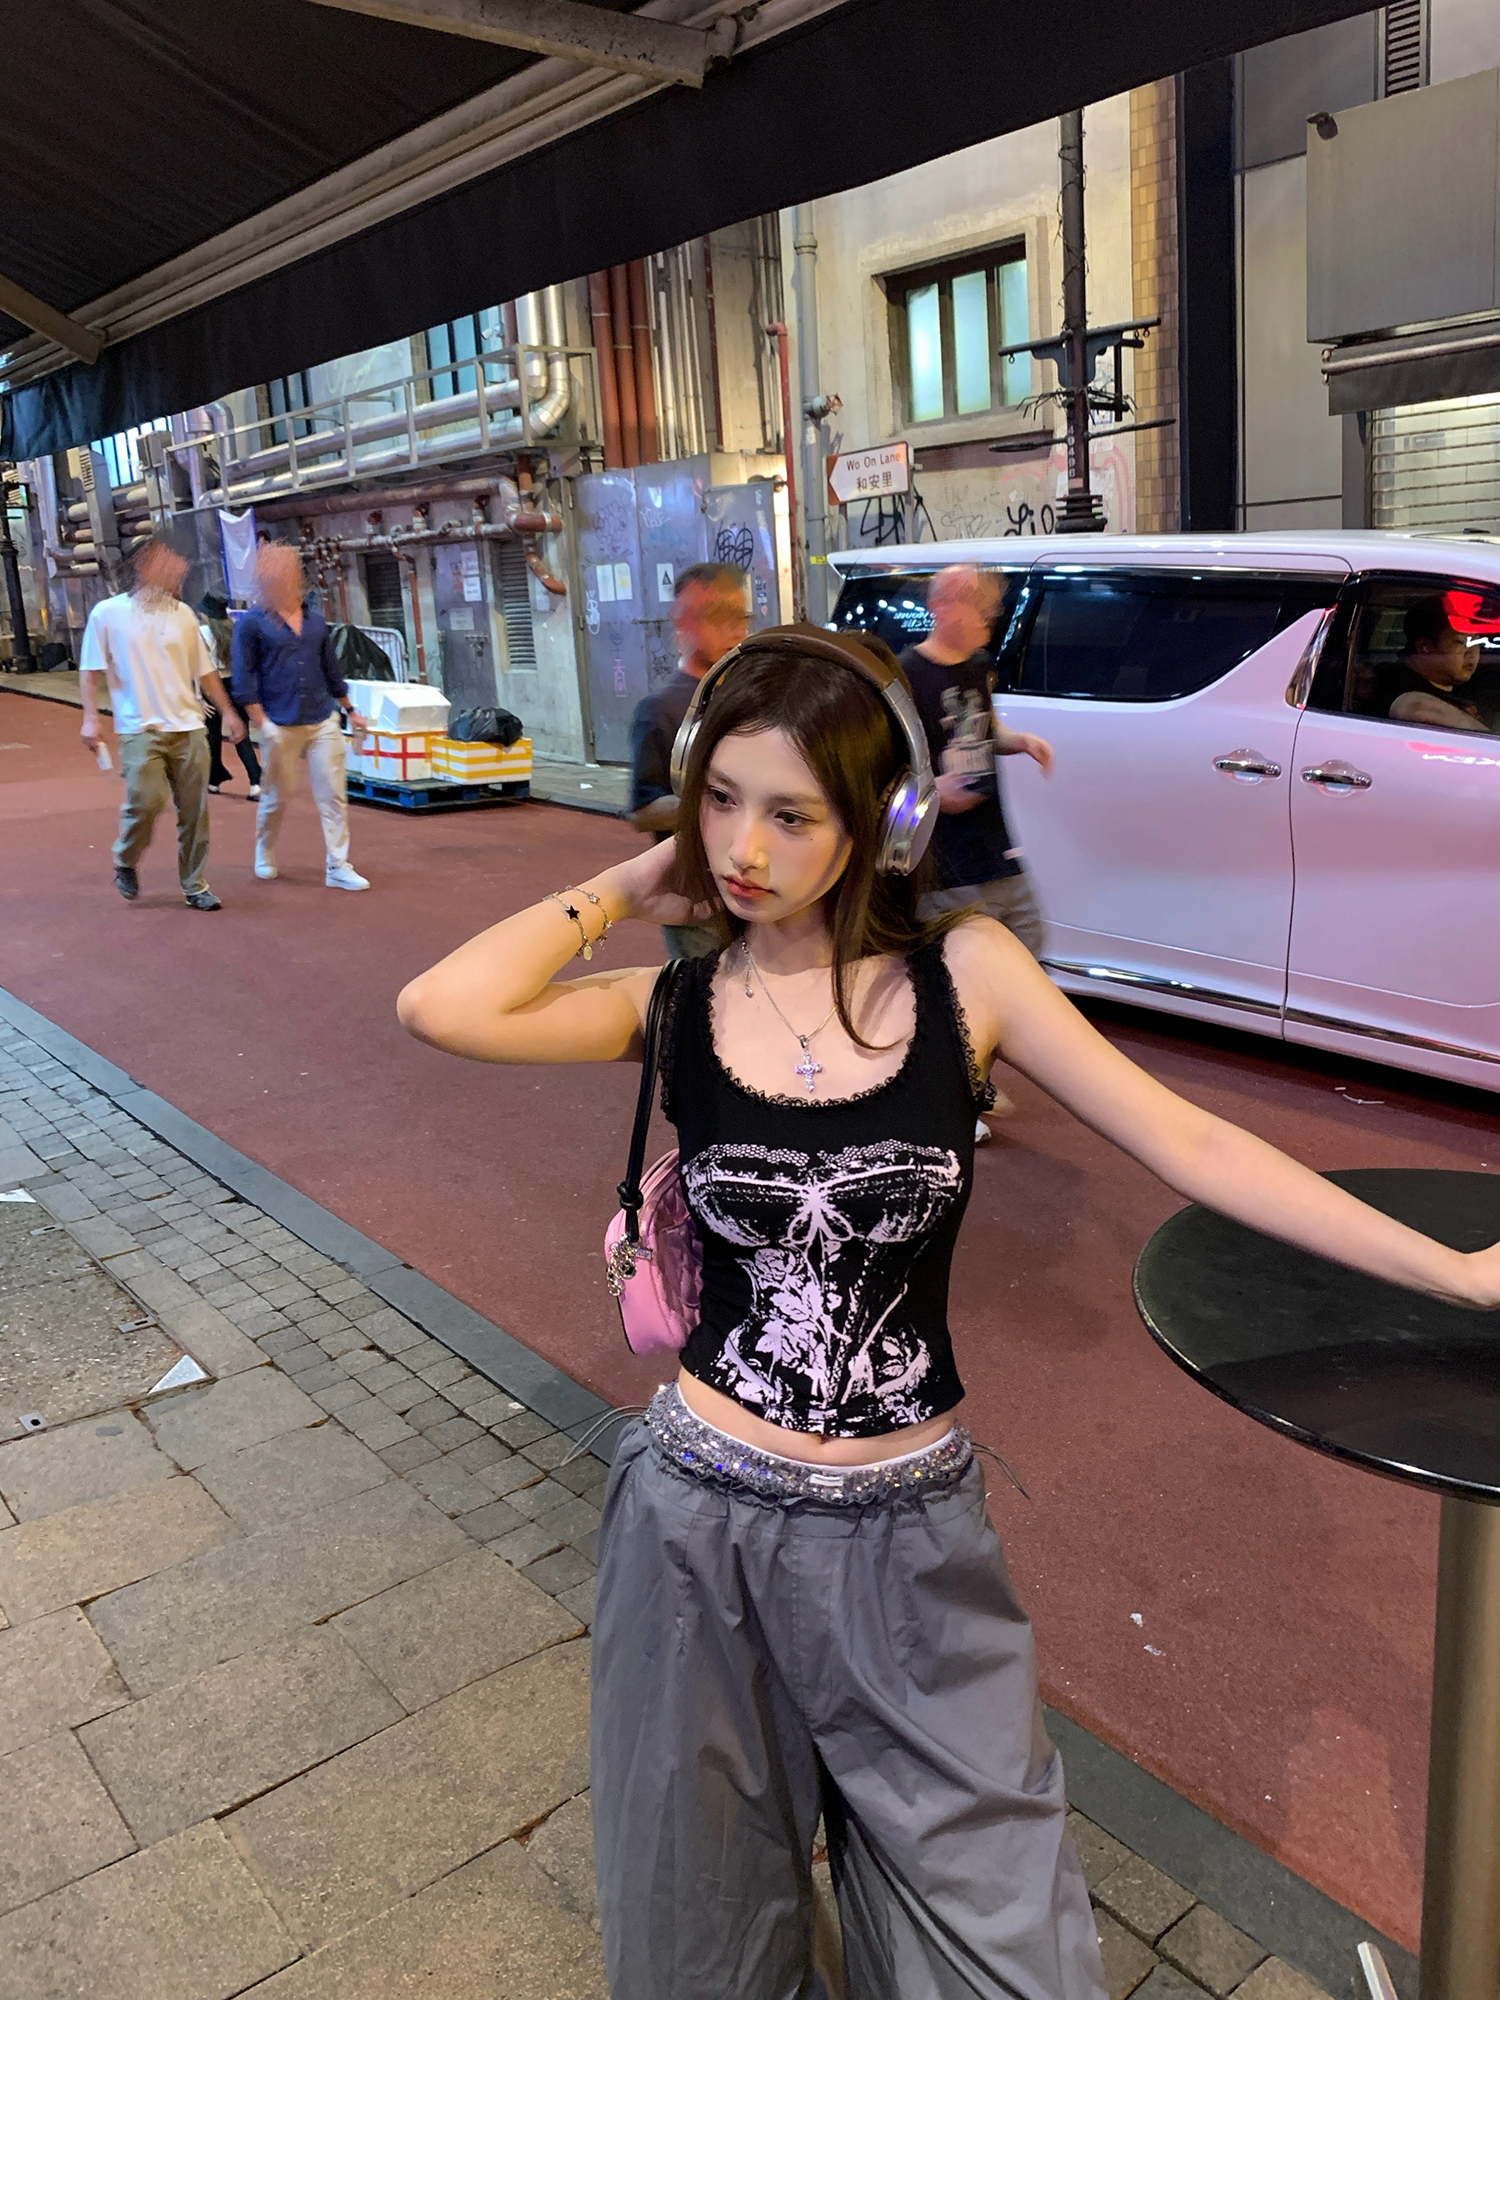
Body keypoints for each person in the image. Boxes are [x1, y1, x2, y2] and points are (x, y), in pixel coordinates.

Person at [395, 627, 1500, 2000]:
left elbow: (1191, 1141)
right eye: (720, 800)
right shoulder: (671, 1002)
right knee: (701, 1949)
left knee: (1005, 1958)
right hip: (694, 1530)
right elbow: (440, 1006)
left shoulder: (966, 979)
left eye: (792, 814)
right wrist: (626, 881)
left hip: (910, 1542)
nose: (742, 847)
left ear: (887, 819)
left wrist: (1455, 1272)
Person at [900, 565, 1054, 1138]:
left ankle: (965, 1078)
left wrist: (1019, 742)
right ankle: (951, 1096)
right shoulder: (905, 678)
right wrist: (931, 792)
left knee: (1022, 947)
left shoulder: (976, 666)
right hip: (943, 861)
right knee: (959, 983)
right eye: (985, 613)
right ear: (947, 606)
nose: (991, 625)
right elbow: (883, 772)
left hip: (992, 845)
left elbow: (982, 729)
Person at [78, 527, 242, 910]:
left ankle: (195, 885)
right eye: (168, 561)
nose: (178, 568)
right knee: (146, 801)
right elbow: (90, 668)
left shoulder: (183, 615)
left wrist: (229, 712)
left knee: (195, 811)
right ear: (143, 565)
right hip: (140, 728)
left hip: (189, 727)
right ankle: (126, 857)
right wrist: (90, 718)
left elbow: (204, 672)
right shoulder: (108, 613)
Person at [627, 561, 749, 960]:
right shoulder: (660, 710)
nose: (734, 630)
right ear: (684, 623)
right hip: (696, 905)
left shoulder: (752, 699)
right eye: (718, 617)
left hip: (758, 890)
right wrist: (719, 802)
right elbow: (643, 811)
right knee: (702, 993)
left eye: (741, 617)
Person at [232, 542, 371, 890]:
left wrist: (351, 711)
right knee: (277, 796)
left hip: (322, 718)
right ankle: (265, 850)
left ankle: (338, 865)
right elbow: (244, 679)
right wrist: (262, 723)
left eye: (289, 571)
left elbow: (331, 670)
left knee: (333, 795)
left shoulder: (316, 622)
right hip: (278, 722)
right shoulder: (251, 625)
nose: (284, 578)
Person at [1377, 598, 1488, 729]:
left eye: (1476, 642)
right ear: (1425, 647)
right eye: (1460, 643)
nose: (1472, 653)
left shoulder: (1464, 683)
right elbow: (1416, 709)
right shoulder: (1392, 684)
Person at [198, 591, 261, 799]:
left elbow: (199, 667)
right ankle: (256, 782)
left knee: (212, 733)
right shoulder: (234, 628)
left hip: (213, 684)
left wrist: (199, 696)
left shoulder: (201, 633)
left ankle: (214, 780)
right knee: (242, 733)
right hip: (235, 682)